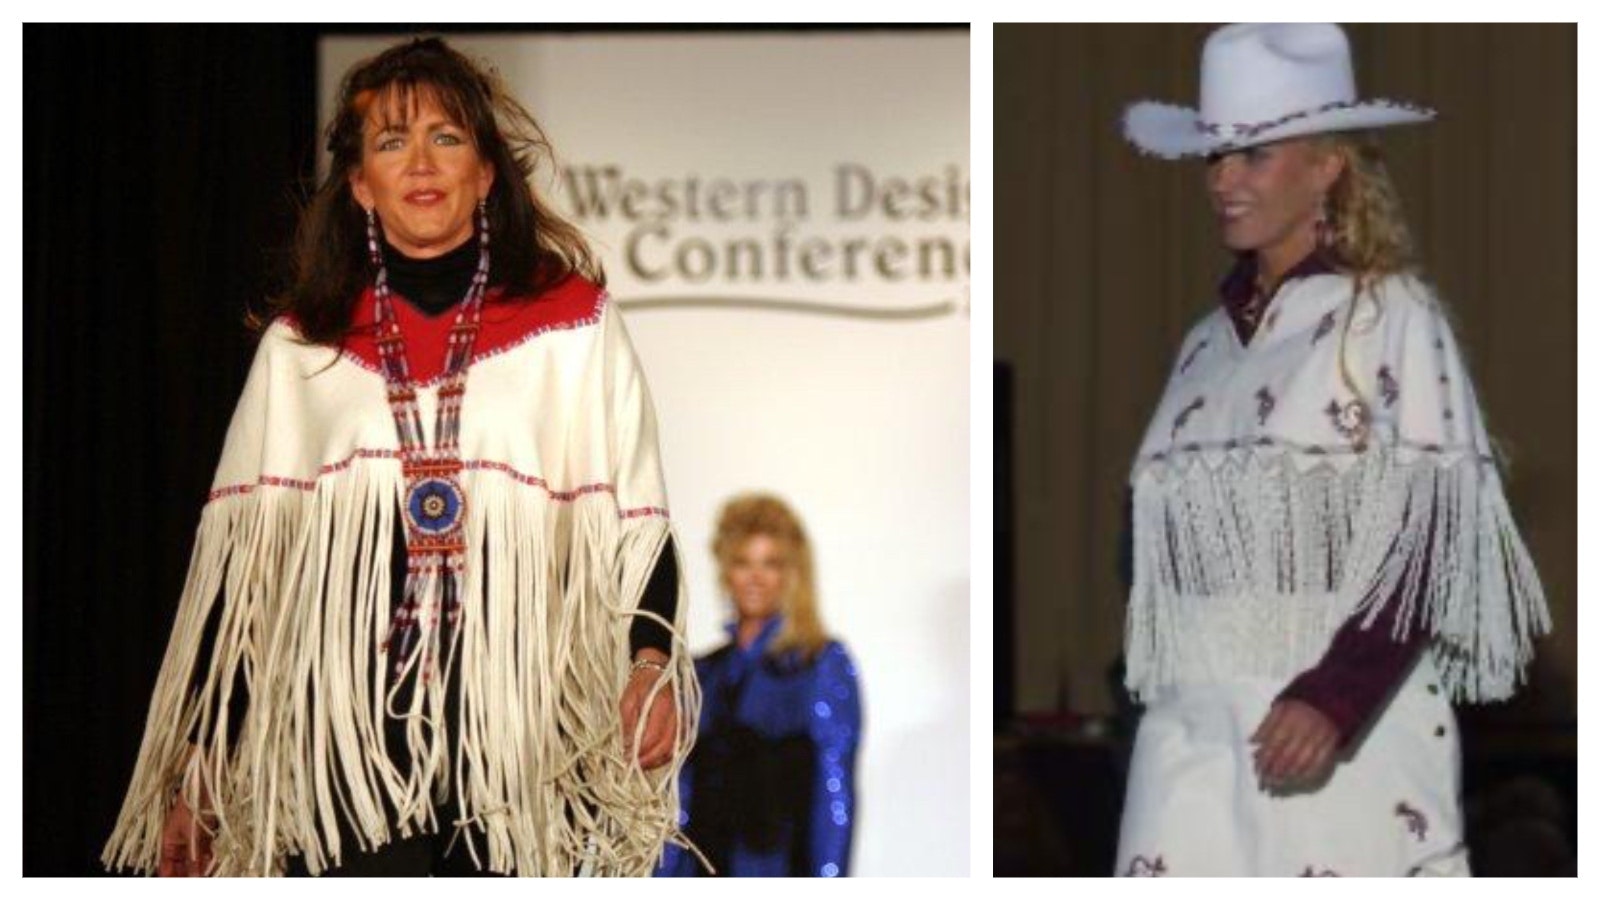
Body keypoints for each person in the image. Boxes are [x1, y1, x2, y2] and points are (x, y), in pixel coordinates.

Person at [101, 37, 696, 877]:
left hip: (517, 753)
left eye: (447, 137)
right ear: (358, 184)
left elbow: (636, 521)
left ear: (487, 171)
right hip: (340, 756)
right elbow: (245, 586)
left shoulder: (572, 325)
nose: (421, 162)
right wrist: (204, 764)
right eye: (391, 141)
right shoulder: (301, 349)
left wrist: (648, 664)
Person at [1115, 23, 1550, 876]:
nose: (1225, 182)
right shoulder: (1204, 343)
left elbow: (1432, 538)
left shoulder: (1390, 314)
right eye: (1216, 157)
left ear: (1328, 164)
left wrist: (1335, 694)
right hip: (1189, 736)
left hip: (1340, 736)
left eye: (1256, 155)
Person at [659, 494, 862, 877]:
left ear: (791, 573)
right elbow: (680, 797)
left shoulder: (821, 664)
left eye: (770, 563)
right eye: (742, 562)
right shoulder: (705, 672)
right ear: (725, 570)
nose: (755, 577)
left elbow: (835, 792)